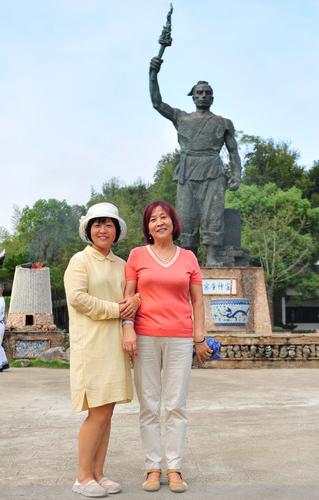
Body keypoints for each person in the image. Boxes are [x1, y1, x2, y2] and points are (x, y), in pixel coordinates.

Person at [122, 200, 213, 493]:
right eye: (152, 219)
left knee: (176, 405)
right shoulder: (136, 256)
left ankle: (174, 467)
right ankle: (153, 467)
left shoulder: (189, 258)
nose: (159, 222)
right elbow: (128, 298)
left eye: (164, 217)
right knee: (149, 405)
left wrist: (198, 339)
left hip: (180, 338)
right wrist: (128, 330)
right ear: (147, 228)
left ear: (174, 222)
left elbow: (197, 301)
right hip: (145, 337)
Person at [64, 202, 140, 498]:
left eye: (109, 224)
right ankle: (83, 476)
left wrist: (134, 303)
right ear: (88, 230)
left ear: (117, 230)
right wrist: (116, 310)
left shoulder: (123, 265)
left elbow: (131, 297)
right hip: (92, 344)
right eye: (97, 224)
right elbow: (77, 298)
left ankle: (98, 473)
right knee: (96, 412)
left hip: (116, 344)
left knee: (107, 412)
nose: (103, 229)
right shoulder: (79, 261)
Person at [149, 56, 242, 266]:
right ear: (193, 97)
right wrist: (153, 74)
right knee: (187, 216)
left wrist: (237, 174)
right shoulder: (182, 118)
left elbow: (233, 151)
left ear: (213, 98)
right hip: (187, 169)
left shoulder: (223, 122)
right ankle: (189, 259)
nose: (203, 96)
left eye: (207, 93)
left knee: (213, 214)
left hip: (213, 170)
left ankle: (212, 257)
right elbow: (157, 103)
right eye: (199, 93)